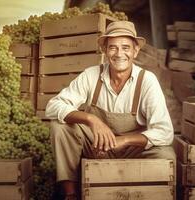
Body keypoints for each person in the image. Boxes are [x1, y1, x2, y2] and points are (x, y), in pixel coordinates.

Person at [45, 21, 175, 200]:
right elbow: (53, 106)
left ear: (135, 51)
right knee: (61, 126)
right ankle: (70, 194)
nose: (119, 54)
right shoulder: (91, 75)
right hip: (96, 146)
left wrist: (124, 140)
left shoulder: (147, 81)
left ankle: (150, 194)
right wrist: (92, 119)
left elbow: (165, 132)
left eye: (125, 48)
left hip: (133, 150)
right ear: (105, 51)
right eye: (113, 48)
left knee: (165, 154)